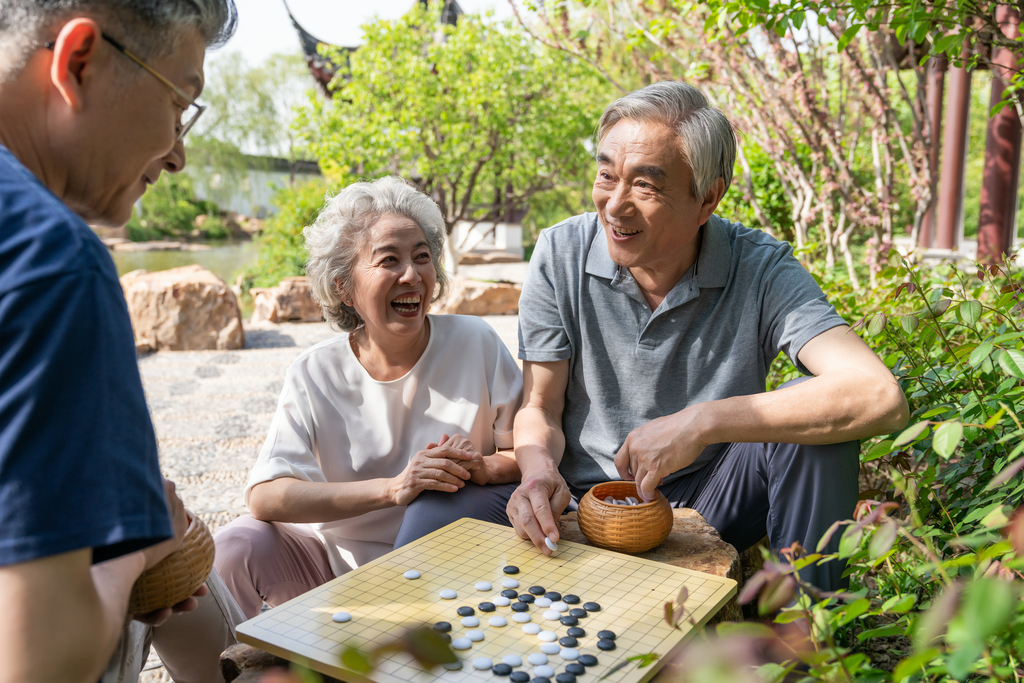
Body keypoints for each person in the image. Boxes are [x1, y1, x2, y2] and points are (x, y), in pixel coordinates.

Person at [401, 82, 910, 592]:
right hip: (579, 501)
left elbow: (878, 395)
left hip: (711, 500)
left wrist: (702, 422)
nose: (614, 206)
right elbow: (540, 406)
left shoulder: (761, 267)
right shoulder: (560, 251)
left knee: (817, 425)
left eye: (646, 186)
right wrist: (536, 472)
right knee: (436, 506)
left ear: (707, 197)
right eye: (606, 176)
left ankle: (803, 644)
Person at [0, 2, 245, 682]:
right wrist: (137, 553)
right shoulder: (49, 259)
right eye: (180, 102)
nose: (178, 153)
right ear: (79, 61)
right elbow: (38, 661)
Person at [214, 176, 523, 619]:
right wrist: (394, 488)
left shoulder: (476, 342)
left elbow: (523, 452)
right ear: (344, 286)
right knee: (235, 546)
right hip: (336, 570)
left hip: (456, 566)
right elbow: (267, 496)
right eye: (389, 260)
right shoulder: (315, 372)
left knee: (430, 524)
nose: (412, 275)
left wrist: (483, 468)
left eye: (422, 257)